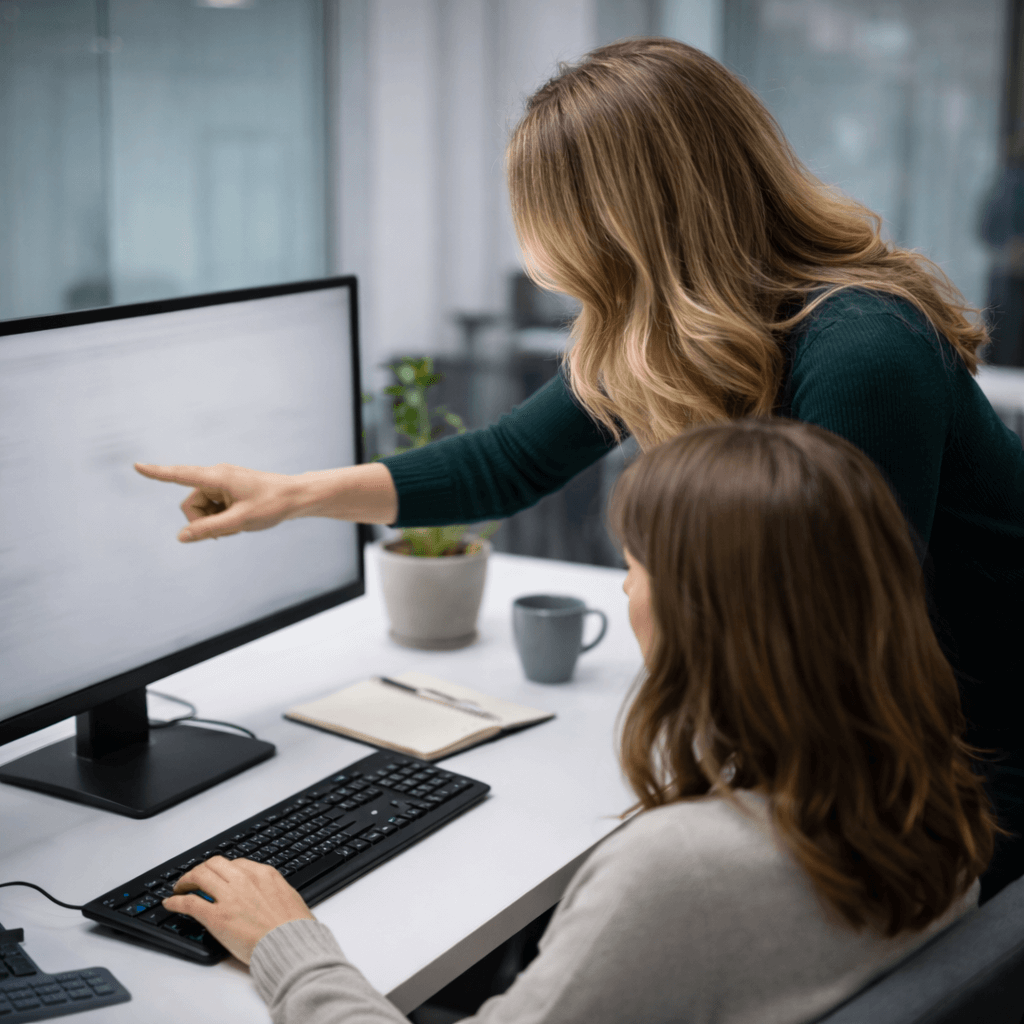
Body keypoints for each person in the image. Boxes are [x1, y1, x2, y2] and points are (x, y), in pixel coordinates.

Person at [136, 37, 1024, 898]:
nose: (539, 252)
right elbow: (513, 460)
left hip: (978, 759)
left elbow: (835, 648)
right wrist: (292, 495)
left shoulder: (862, 347)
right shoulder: (662, 328)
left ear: (622, 223)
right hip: (874, 749)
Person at [162, 419, 997, 1024]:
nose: (627, 592)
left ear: (708, 618)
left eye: (635, 569)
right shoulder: (934, 791)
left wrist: (289, 945)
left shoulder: (680, 871)